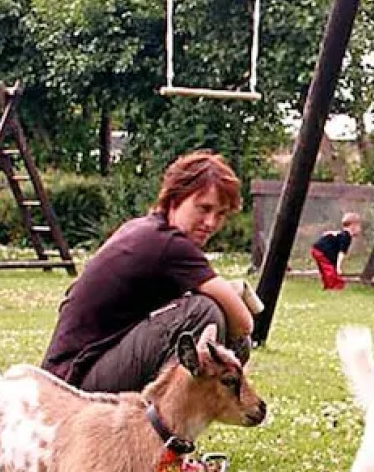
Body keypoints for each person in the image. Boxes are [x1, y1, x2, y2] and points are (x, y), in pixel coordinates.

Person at [41, 150, 255, 393]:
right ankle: (163, 423)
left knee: (223, 336)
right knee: (204, 313)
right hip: (75, 386)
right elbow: (245, 322)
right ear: (175, 199)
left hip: (68, 376)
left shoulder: (144, 228)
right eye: (203, 208)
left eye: (220, 214)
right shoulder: (171, 245)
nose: (211, 223)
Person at [311, 212, 363, 291]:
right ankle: (334, 286)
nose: (360, 229)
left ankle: (328, 286)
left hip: (317, 249)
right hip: (322, 251)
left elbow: (327, 235)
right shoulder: (346, 237)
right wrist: (339, 267)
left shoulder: (341, 234)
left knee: (326, 269)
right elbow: (341, 253)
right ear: (353, 226)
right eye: (359, 226)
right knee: (330, 270)